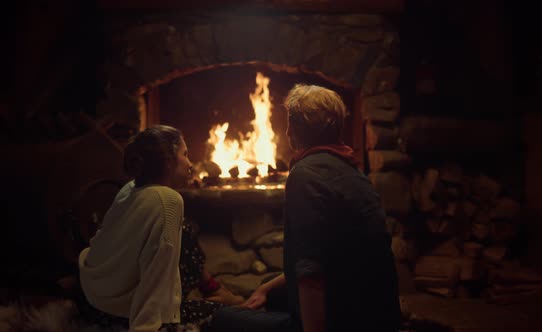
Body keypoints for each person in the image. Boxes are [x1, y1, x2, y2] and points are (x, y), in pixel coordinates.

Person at [212, 85, 401, 332]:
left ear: (293, 129)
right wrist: (266, 289)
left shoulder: (305, 175)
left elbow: (310, 270)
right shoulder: (354, 172)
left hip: (342, 321)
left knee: (221, 321)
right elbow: (335, 256)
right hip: (378, 315)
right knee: (272, 288)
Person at [77, 125, 242, 332]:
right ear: (168, 162)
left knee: (184, 231)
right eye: (185, 155)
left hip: (92, 298)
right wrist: (148, 326)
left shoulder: (131, 188)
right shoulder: (168, 200)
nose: (190, 164)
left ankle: (212, 289)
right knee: (232, 317)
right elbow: (156, 269)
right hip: (119, 313)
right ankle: (217, 295)